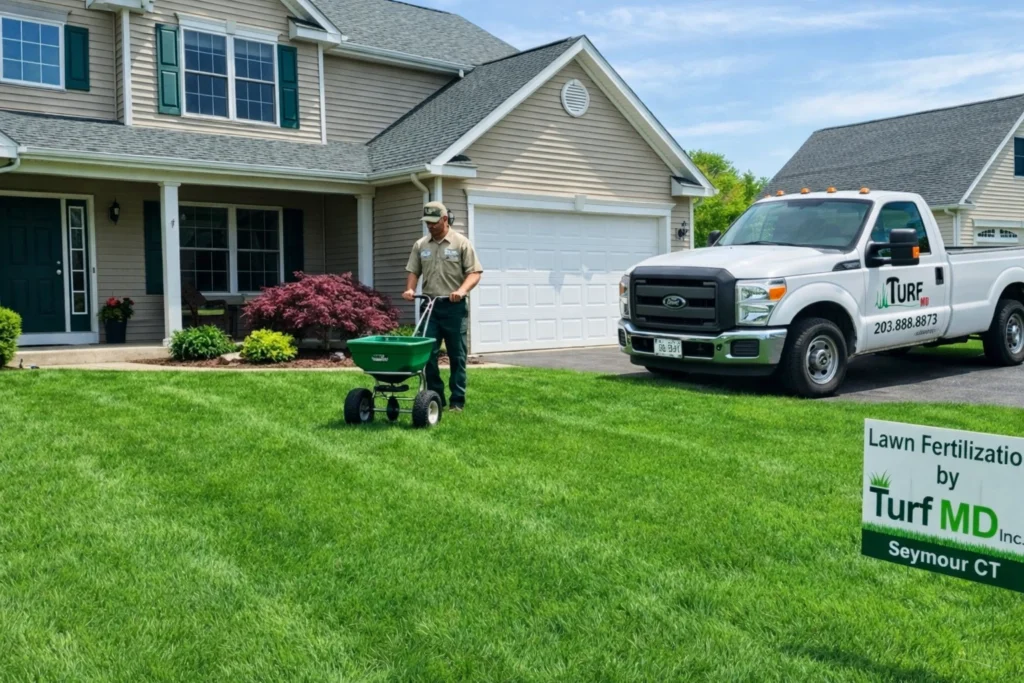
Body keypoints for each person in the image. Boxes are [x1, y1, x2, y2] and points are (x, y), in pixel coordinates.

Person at [404, 201, 483, 412]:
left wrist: (462, 291)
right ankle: (435, 398)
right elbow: (413, 271)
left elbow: (474, 273)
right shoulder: (421, 245)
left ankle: (457, 401)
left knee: (457, 355)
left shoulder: (461, 243)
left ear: (445, 219)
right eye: (427, 222)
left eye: (433, 222)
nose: (430, 226)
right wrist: (410, 289)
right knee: (427, 355)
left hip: (454, 307)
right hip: (430, 307)